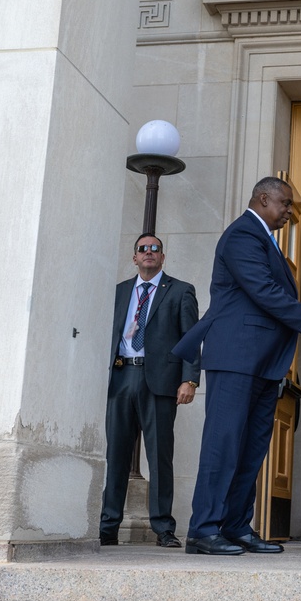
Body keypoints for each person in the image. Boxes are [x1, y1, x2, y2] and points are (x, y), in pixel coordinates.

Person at [172, 177, 301, 556]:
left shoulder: (266, 238)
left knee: (251, 450)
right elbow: (264, 292)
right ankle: (203, 529)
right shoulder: (242, 236)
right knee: (223, 446)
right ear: (263, 198)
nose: (288, 211)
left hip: (265, 364)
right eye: (284, 204)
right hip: (236, 358)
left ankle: (235, 526)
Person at [100, 233, 200, 549]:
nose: (149, 253)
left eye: (155, 249)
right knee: (115, 455)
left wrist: (190, 379)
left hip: (159, 381)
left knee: (159, 456)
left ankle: (163, 528)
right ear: (134, 257)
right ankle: (107, 526)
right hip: (121, 377)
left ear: (163, 257)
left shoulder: (181, 291)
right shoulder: (118, 292)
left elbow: (190, 339)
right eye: (143, 249)